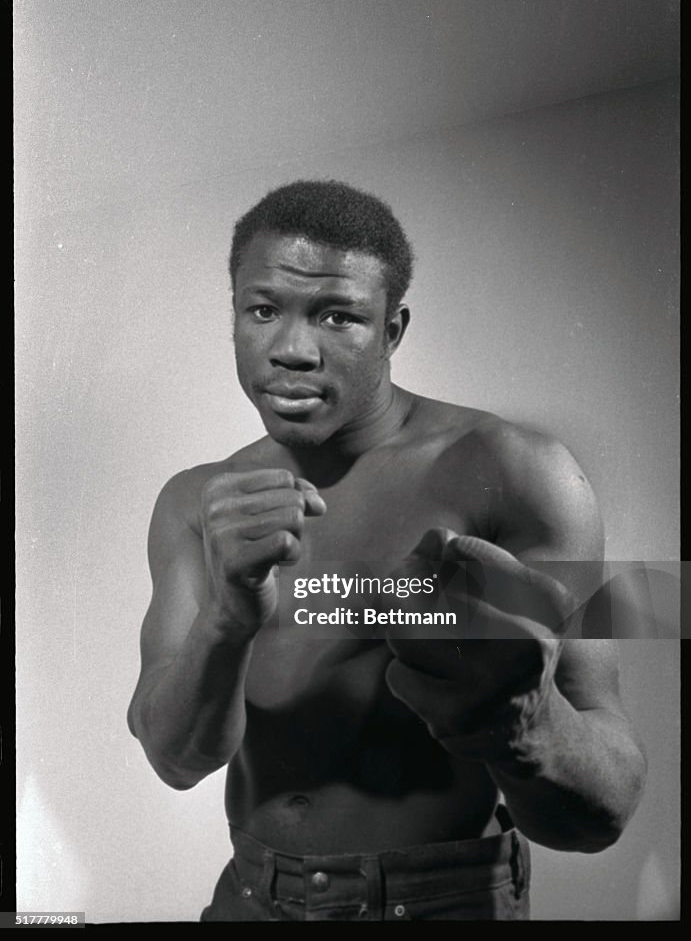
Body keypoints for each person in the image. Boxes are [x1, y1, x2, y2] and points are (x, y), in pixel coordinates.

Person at [127, 179, 646, 921]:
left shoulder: (515, 473)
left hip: (442, 902)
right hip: (250, 897)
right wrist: (230, 616)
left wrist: (523, 721)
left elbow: (605, 809)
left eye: (337, 316)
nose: (292, 350)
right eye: (263, 309)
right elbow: (174, 760)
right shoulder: (195, 502)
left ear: (392, 330)